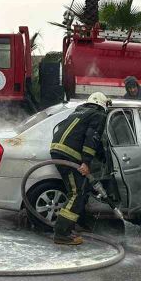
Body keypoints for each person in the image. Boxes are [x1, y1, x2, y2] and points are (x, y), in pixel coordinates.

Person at [50, 92, 109, 245]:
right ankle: (61, 233)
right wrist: (86, 163)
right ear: (102, 104)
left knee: (80, 189)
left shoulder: (80, 111)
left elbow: (91, 139)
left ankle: (75, 225)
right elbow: (92, 138)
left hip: (59, 150)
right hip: (69, 155)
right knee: (77, 193)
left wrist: (102, 156)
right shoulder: (98, 114)